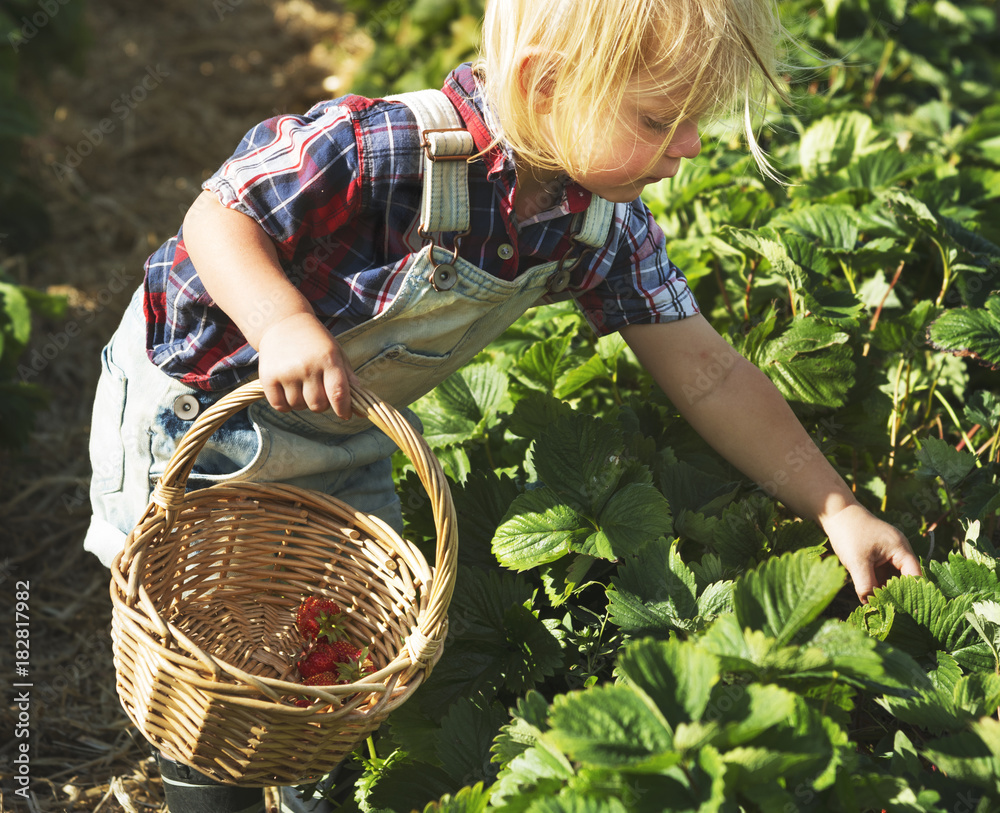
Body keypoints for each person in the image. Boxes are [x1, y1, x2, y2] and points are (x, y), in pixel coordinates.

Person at [85, 0, 922, 809]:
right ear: (549, 84)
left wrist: (836, 505)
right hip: (204, 410)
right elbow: (218, 215)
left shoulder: (599, 226)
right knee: (199, 640)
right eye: (661, 120)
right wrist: (283, 323)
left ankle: (319, 781)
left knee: (339, 643)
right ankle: (210, 786)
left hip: (344, 428)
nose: (690, 148)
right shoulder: (385, 146)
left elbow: (707, 371)